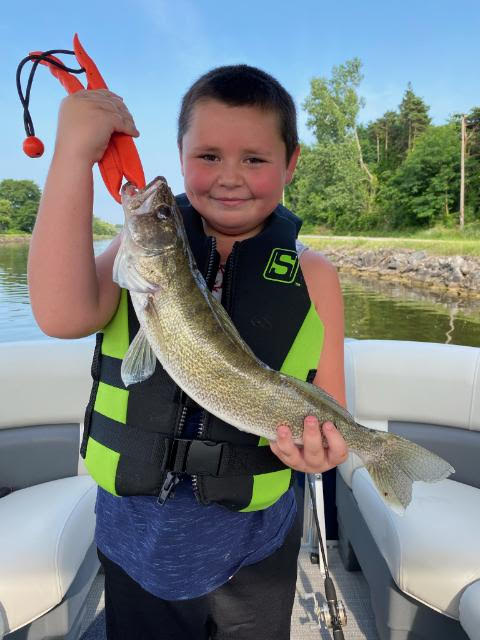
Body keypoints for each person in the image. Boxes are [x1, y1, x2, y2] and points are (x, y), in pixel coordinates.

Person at [28, 64, 348, 640]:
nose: (230, 177)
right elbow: (60, 315)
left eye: (254, 159)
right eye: (208, 156)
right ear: (180, 155)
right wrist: (74, 156)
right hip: (136, 538)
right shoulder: (138, 255)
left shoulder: (315, 276)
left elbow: (328, 407)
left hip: (257, 544)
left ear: (291, 164)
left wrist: (322, 452)